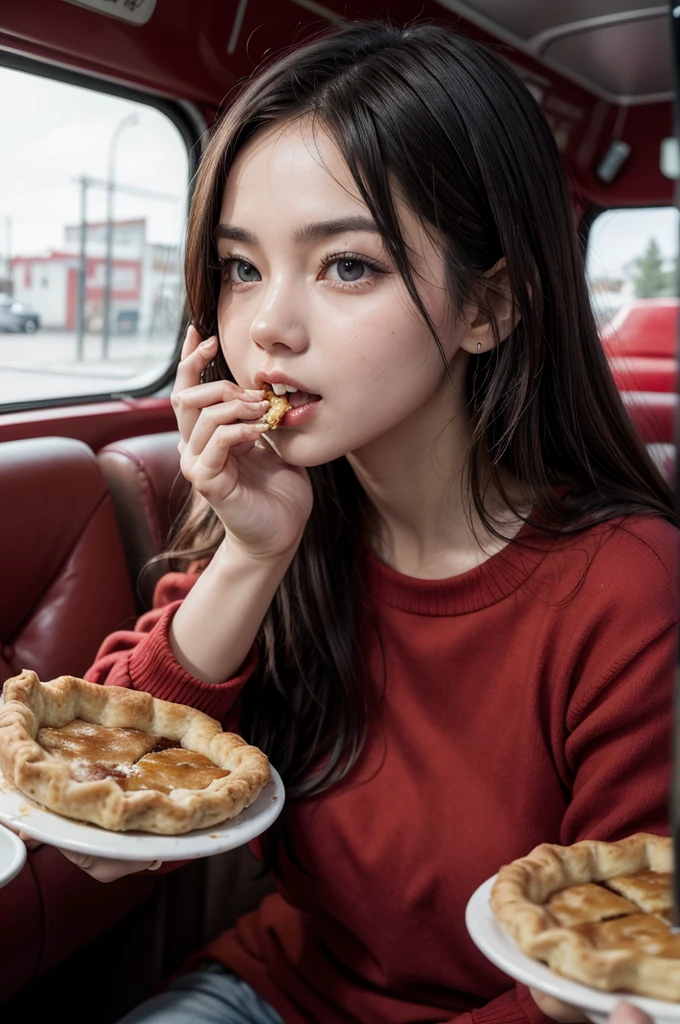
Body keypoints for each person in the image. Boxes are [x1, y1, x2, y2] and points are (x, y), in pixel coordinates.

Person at [37, 18, 680, 1024]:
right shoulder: (275, 511)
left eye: (346, 266)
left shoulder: (628, 586)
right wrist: (250, 555)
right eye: (241, 268)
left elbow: (610, 977)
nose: (267, 329)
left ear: (489, 307)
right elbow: (94, 837)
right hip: (271, 989)